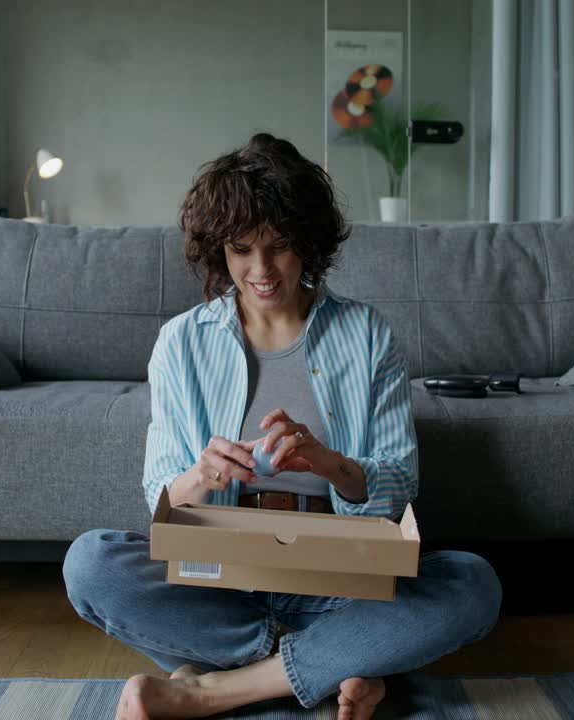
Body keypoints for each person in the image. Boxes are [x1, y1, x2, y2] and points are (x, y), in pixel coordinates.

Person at [62, 134, 502, 720]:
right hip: (222, 578)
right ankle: (341, 662)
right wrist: (201, 475)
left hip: (341, 581)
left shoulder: (367, 335)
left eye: (280, 247)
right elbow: (159, 495)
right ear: (218, 249)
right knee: (90, 563)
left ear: (308, 244)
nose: (260, 271)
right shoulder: (181, 342)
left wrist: (330, 463)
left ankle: (210, 685)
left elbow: (400, 485)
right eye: (241, 249)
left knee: (473, 584)